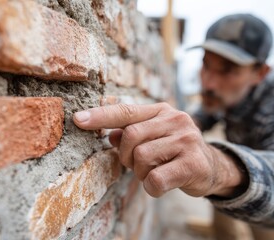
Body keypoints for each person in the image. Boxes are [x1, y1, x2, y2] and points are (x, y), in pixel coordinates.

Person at [73, 13, 274, 231]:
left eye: (228, 70)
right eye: (206, 65)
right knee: (222, 214)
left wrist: (216, 167)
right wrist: (167, 131)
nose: (209, 83)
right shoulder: (224, 96)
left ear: (260, 73)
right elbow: (202, 118)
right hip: (236, 179)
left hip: (258, 183)